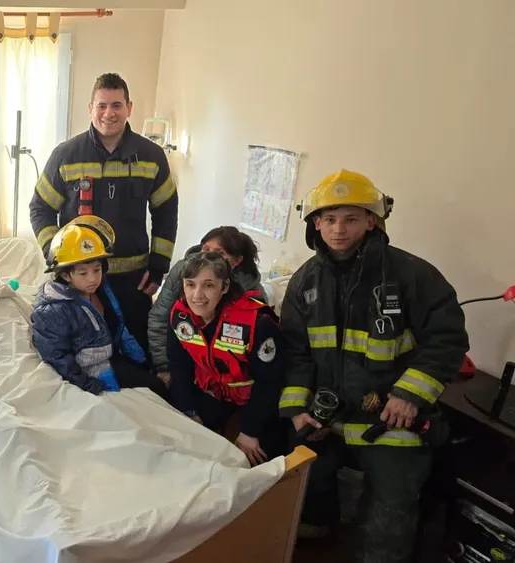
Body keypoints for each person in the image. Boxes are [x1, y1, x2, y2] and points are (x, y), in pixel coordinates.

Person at [277, 169, 469, 562]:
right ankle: (312, 538)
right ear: (316, 223)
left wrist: (409, 396)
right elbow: (297, 353)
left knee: (390, 509)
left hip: (391, 421)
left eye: (351, 218)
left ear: (371, 220)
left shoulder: (413, 276)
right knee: (303, 479)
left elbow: (447, 340)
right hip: (328, 419)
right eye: (329, 219)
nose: (339, 229)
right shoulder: (304, 283)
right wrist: (297, 410)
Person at [29, 72, 178, 356]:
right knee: (82, 355)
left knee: (135, 354)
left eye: (116, 105)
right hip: (77, 279)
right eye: (101, 105)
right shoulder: (66, 155)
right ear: (91, 109)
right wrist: (56, 253)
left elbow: (166, 210)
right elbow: (40, 208)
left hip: (134, 281)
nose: (109, 113)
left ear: (129, 108)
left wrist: (159, 265)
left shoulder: (152, 156)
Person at [165, 251, 286, 466]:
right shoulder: (179, 315)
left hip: (255, 400)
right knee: (182, 446)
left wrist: (250, 430)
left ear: (225, 287)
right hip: (211, 393)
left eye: (209, 285)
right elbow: (179, 366)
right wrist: (189, 411)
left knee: (256, 460)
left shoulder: (257, 323)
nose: (197, 295)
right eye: (190, 285)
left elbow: (270, 382)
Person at [31, 217, 167, 399]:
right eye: (83, 273)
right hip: (95, 370)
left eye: (97, 269)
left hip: (113, 356)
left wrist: (140, 358)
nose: (92, 278)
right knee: (157, 387)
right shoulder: (52, 311)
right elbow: (57, 357)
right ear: (65, 275)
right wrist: (89, 386)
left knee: (159, 382)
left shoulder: (102, 289)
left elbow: (116, 323)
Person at [150, 226, 266, 386]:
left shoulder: (253, 296)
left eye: (219, 253)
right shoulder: (182, 274)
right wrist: (163, 366)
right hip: (186, 364)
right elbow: (160, 318)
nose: (207, 257)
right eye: (204, 249)